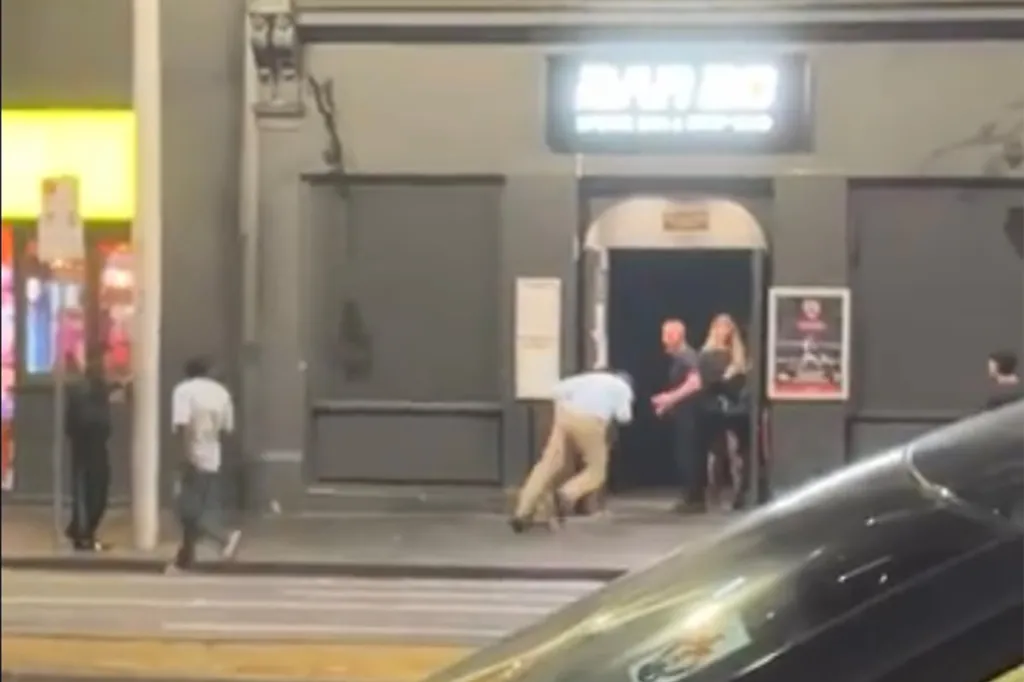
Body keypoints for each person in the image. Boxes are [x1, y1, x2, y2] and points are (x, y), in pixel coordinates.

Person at [510, 369, 634, 533]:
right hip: (592, 421)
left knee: (548, 464)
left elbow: (556, 390)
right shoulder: (623, 388)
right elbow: (624, 417)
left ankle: (522, 511)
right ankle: (567, 494)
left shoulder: (591, 377)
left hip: (565, 415)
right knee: (597, 471)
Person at [167, 357, 242, 572]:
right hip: (212, 457)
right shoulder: (221, 392)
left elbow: (182, 426)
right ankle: (184, 560)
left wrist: (182, 458)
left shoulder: (184, 391)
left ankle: (223, 537)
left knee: (185, 510)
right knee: (194, 508)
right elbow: (228, 429)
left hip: (191, 455)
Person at [651, 319, 705, 514]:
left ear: (677, 335)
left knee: (689, 455)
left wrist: (669, 399)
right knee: (685, 455)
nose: (663, 339)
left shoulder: (687, 356)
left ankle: (694, 498)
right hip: (684, 414)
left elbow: (695, 382)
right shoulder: (679, 357)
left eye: (667, 334)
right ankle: (691, 496)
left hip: (691, 415)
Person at [65, 353, 113, 551]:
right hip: (91, 446)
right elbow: (79, 421)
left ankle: (81, 531)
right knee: (92, 492)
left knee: (90, 492)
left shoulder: (93, 393)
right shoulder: (86, 393)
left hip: (89, 446)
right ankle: (83, 533)